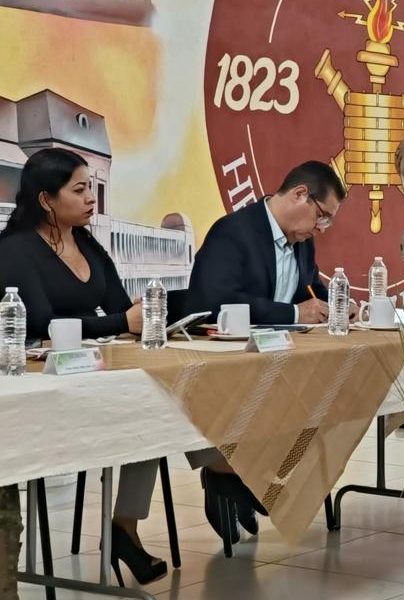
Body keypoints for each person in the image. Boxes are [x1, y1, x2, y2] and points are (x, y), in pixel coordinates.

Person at [0, 148, 167, 583]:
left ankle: (126, 527)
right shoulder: (15, 250)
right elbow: (41, 324)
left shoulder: (86, 242)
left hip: (90, 372)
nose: (91, 198)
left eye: (91, 187)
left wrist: (135, 316)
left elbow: (117, 305)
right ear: (46, 199)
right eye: (79, 190)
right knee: (149, 405)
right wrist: (121, 322)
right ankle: (224, 475)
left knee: (159, 403)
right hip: (42, 382)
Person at [187, 160, 351, 546]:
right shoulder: (234, 232)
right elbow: (215, 300)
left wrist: (337, 306)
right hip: (230, 361)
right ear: (299, 195)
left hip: (278, 360)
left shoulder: (302, 242)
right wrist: (293, 314)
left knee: (329, 396)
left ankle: (242, 476)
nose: (322, 228)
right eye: (322, 215)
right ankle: (228, 471)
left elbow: (309, 289)